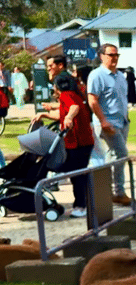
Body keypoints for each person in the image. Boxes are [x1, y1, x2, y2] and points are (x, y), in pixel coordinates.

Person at [32, 74, 95, 218]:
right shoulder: (73, 94)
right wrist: (45, 115)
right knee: (77, 174)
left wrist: (69, 117)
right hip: (82, 142)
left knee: (74, 173)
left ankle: (80, 205)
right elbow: (62, 112)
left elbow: (74, 107)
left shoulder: (67, 95)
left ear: (58, 86)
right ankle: (81, 204)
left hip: (78, 143)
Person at [87, 43, 133, 206]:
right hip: (107, 122)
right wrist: (103, 121)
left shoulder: (120, 76)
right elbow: (92, 100)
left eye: (116, 55)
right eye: (110, 55)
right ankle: (118, 192)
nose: (114, 58)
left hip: (122, 121)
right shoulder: (97, 75)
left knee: (112, 156)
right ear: (102, 56)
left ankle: (107, 191)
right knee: (121, 154)